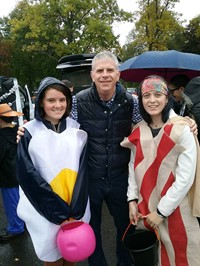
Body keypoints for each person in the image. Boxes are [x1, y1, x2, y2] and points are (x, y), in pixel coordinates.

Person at [16, 51, 198, 266]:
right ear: (92, 75)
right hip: (90, 179)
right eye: (100, 70)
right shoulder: (77, 102)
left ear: (118, 74)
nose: (105, 75)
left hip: (119, 176)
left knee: (125, 227)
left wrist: (183, 121)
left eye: (110, 70)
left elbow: (154, 121)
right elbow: (58, 126)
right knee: (90, 229)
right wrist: (27, 129)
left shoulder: (130, 103)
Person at [121, 75, 200, 266]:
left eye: (158, 94)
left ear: (167, 98)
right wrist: (131, 199)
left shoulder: (183, 129)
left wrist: (161, 212)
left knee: (180, 257)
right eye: (146, 95)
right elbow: (133, 167)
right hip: (145, 208)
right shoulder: (138, 130)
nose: (152, 100)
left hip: (177, 209)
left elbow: (185, 179)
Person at [16, 77, 90, 266]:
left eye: (62, 100)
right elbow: (28, 177)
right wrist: (58, 214)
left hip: (74, 207)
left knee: (72, 257)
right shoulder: (29, 131)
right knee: (52, 260)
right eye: (51, 100)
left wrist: (75, 210)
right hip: (45, 210)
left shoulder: (76, 128)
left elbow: (83, 171)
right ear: (41, 101)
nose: (58, 105)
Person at [0, 103, 25, 242]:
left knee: (12, 203)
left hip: (7, 177)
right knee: (20, 202)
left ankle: (16, 228)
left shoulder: (1, 137)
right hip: (19, 174)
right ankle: (21, 224)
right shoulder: (17, 130)